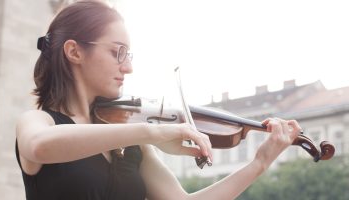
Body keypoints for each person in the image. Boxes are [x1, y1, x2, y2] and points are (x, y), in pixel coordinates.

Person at [15, 0, 301, 199]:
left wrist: (259, 163)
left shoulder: (129, 145)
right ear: (74, 52)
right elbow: (39, 147)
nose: (127, 67)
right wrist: (153, 132)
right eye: (117, 52)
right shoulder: (39, 122)